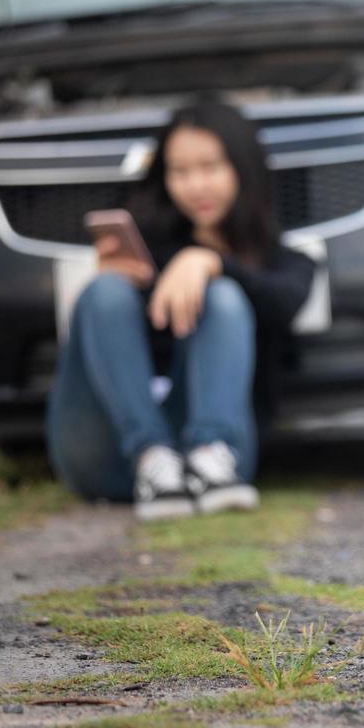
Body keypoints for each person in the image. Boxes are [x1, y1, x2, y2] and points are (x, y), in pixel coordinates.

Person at [47, 99, 316, 520]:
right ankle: (153, 458)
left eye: (210, 167)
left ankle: (210, 453)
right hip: (115, 457)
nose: (196, 185)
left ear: (242, 168)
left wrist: (210, 262)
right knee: (105, 293)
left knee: (224, 297)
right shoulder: (147, 252)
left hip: (219, 468)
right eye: (180, 171)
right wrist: (126, 287)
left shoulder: (285, 262)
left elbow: (283, 303)